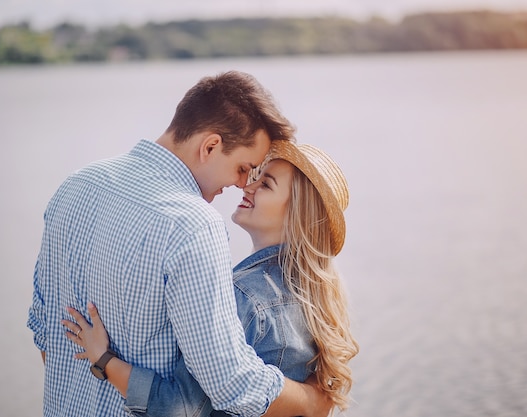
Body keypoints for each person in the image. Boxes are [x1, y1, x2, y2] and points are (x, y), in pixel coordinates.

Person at [27, 71, 333, 417]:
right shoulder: (193, 225)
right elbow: (230, 384)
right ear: (210, 146)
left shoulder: (76, 186)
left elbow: (44, 331)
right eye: (242, 168)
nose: (241, 183)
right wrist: (310, 401)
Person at [62, 140, 360, 416]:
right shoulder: (312, 295)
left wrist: (103, 359)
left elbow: (180, 408)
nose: (248, 186)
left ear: (297, 215)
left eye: (265, 184)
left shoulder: (243, 297)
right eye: (255, 174)